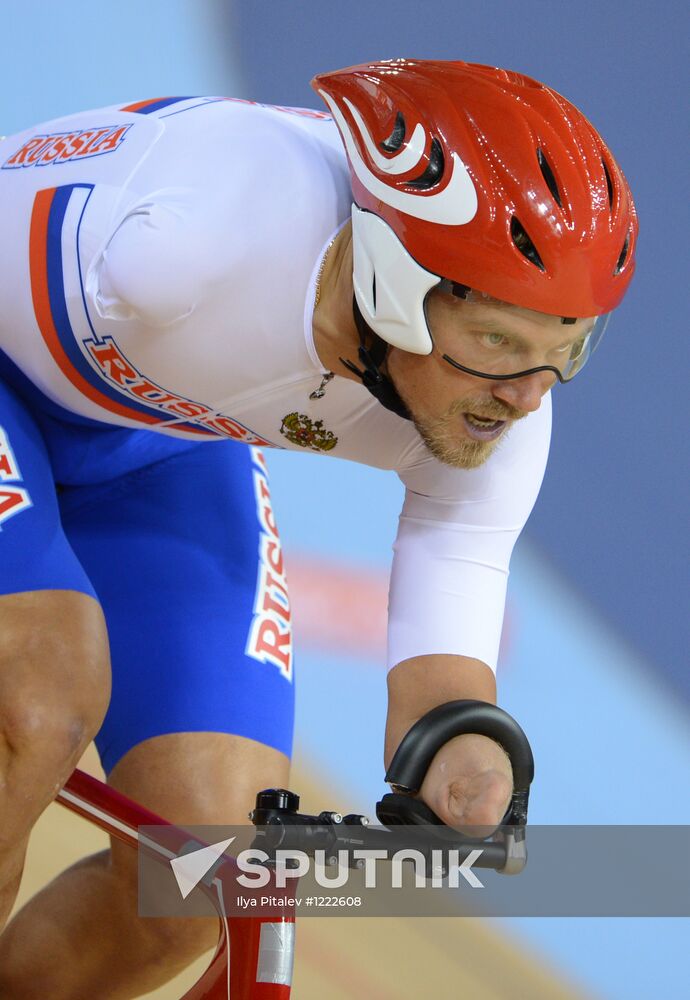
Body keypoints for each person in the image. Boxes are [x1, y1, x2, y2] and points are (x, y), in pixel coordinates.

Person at [0, 59, 636, 997]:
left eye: (564, 348)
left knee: (212, 864)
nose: (523, 398)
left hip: (163, 436)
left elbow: (448, 617)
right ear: (388, 279)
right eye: (496, 343)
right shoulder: (182, 250)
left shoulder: (511, 410)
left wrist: (458, 747)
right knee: (39, 689)